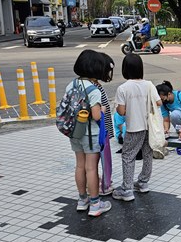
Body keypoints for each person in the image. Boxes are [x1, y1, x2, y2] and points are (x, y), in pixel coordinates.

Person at [68, 50, 112, 217]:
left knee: (79, 165)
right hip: (91, 135)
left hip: (75, 132)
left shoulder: (72, 84)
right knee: (91, 168)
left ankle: (82, 200)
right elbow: (96, 116)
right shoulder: (93, 89)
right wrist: (102, 109)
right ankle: (95, 204)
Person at [113, 53, 162, 201]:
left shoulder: (123, 88)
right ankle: (143, 183)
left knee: (128, 156)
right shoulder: (149, 84)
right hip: (149, 127)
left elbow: (121, 111)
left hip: (134, 127)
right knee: (147, 154)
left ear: (125, 69)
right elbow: (158, 103)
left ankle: (127, 189)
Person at [92, 52, 115, 196]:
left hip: (99, 130)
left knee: (95, 159)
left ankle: (97, 183)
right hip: (101, 130)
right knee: (104, 159)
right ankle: (105, 185)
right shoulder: (95, 88)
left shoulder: (93, 84)